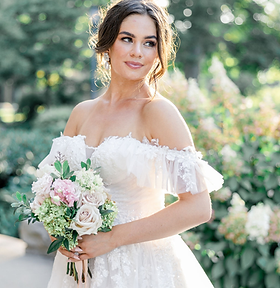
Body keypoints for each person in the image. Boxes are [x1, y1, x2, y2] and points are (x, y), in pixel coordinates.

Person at [43, 0, 223, 287]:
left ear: (158, 53)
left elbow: (198, 207)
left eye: (149, 43)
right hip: (77, 267)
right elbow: (53, 191)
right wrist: (59, 234)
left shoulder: (157, 112)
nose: (138, 52)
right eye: (127, 39)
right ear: (107, 44)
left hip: (139, 267)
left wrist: (112, 238)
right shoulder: (81, 112)